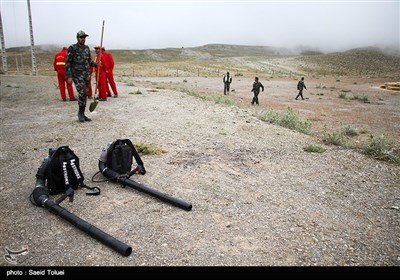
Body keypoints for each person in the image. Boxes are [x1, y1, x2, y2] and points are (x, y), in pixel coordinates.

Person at [66, 30, 98, 122]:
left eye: (84, 37)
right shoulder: (72, 48)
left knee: (85, 94)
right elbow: (68, 62)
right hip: (77, 74)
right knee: (82, 92)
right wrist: (69, 75)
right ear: (77, 38)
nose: (83, 39)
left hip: (86, 75)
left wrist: (95, 64)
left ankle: (83, 114)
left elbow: (89, 61)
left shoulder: (87, 48)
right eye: (81, 37)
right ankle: (80, 113)